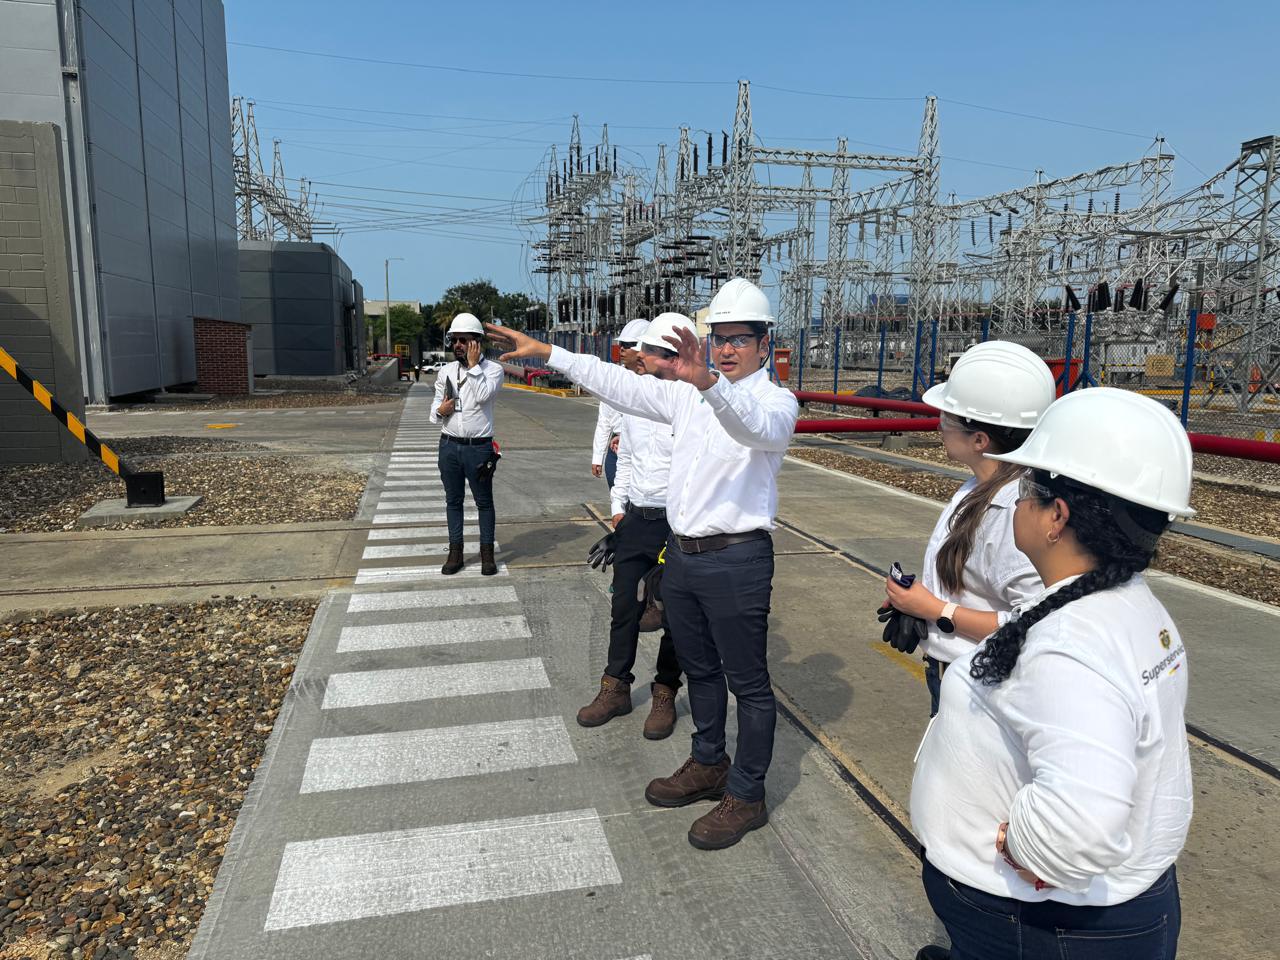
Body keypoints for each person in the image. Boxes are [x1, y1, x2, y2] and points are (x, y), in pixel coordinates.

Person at [488, 278, 798, 851]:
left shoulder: (775, 403)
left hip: (737, 560)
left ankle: (747, 794)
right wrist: (550, 353)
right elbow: (622, 388)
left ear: (764, 342)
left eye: (739, 339)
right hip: (683, 557)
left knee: (748, 684)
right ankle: (708, 762)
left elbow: (751, 429)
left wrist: (704, 379)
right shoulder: (684, 395)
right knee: (700, 672)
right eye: (719, 338)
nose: (727, 348)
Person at [910, 387, 1196, 960]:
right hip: (1087, 912)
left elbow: (1079, 828)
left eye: (1027, 494)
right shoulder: (1125, 605)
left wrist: (1025, 847)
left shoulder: (1073, 646)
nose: (1014, 502)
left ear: (1056, 518)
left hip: (1047, 924)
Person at [882, 341, 1056, 716]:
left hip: (984, 690)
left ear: (980, 440)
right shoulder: (978, 486)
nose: (940, 425)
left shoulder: (1017, 512)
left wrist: (937, 608)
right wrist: (916, 602)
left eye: (948, 417)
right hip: (958, 676)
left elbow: (1036, 624)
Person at [577, 317, 683, 741]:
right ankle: (615, 688)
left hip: (678, 525)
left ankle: (664, 692)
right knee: (624, 606)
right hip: (637, 520)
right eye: (641, 353)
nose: (642, 360)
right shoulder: (634, 405)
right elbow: (628, 464)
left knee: (675, 614)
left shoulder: (686, 404)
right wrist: (618, 511)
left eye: (651, 353)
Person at [430, 312, 504, 576]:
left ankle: (487, 554)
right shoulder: (446, 371)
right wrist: (441, 410)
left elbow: (483, 396)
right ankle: (455, 552)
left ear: (477, 342)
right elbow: (433, 413)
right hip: (450, 445)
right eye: (455, 340)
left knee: (484, 502)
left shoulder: (493, 370)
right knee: (453, 501)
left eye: (464, 340)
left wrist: (473, 367)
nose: (458, 345)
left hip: (479, 448)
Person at [590, 320, 647, 486]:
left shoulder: (655, 382)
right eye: (621, 344)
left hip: (641, 453)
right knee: (618, 505)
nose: (621, 349)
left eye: (628, 345)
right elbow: (605, 421)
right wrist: (597, 457)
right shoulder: (614, 380)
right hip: (615, 453)